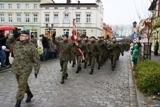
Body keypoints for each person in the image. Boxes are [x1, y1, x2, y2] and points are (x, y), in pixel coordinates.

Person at [6, 30, 40, 107]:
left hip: (26, 69)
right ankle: (29, 94)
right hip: (17, 68)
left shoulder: (31, 46)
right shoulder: (16, 44)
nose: (21, 36)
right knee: (22, 83)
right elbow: (8, 43)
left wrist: (36, 70)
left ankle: (18, 103)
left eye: (23, 35)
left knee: (21, 85)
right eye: (20, 35)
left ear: (27, 37)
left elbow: (36, 59)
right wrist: (14, 36)